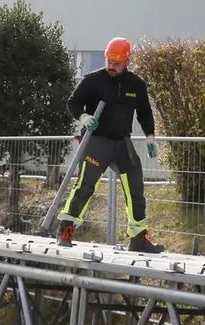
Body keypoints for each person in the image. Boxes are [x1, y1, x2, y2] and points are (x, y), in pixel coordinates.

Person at [58, 37, 163, 253]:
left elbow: (144, 112)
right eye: (109, 61)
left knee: (135, 186)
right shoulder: (92, 81)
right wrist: (84, 116)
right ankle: (66, 230)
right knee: (85, 185)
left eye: (116, 63)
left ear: (127, 61)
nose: (111, 66)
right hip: (97, 141)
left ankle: (138, 238)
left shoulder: (136, 85)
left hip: (122, 142)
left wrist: (150, 136)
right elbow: (73, 102)